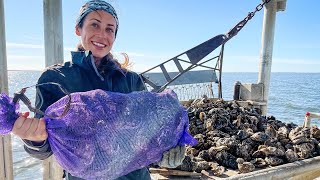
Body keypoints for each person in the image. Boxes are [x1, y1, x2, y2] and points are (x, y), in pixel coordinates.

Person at [11, 0, 185, 179]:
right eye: (95, 24)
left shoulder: (131, 80)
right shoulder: (54, 79)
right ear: (79, 29)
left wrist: (168, 150)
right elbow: (45, 149)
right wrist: (34, 139)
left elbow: (151, 132)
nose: (102, 34)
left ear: (114, 36)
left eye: (110, 29)